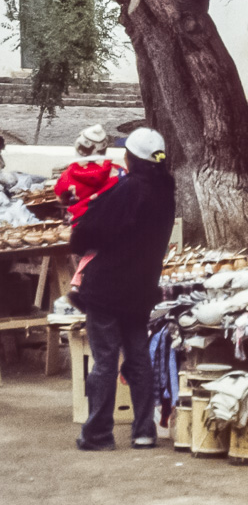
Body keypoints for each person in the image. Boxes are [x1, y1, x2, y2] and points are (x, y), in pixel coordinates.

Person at [69, 128, 176, 451]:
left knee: (104, 360)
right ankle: (144, 431)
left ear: (132, 159)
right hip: (141, 289)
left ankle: (98, 433)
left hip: (107, 288)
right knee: (138, 358)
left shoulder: (128, 190)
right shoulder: (165, 193)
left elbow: (90, 231)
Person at [55, 125, 123, 223]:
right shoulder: (120, 172)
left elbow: (60, 200)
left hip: (79, 228)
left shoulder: (66, 177)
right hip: (114, 225)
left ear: (78, 148)